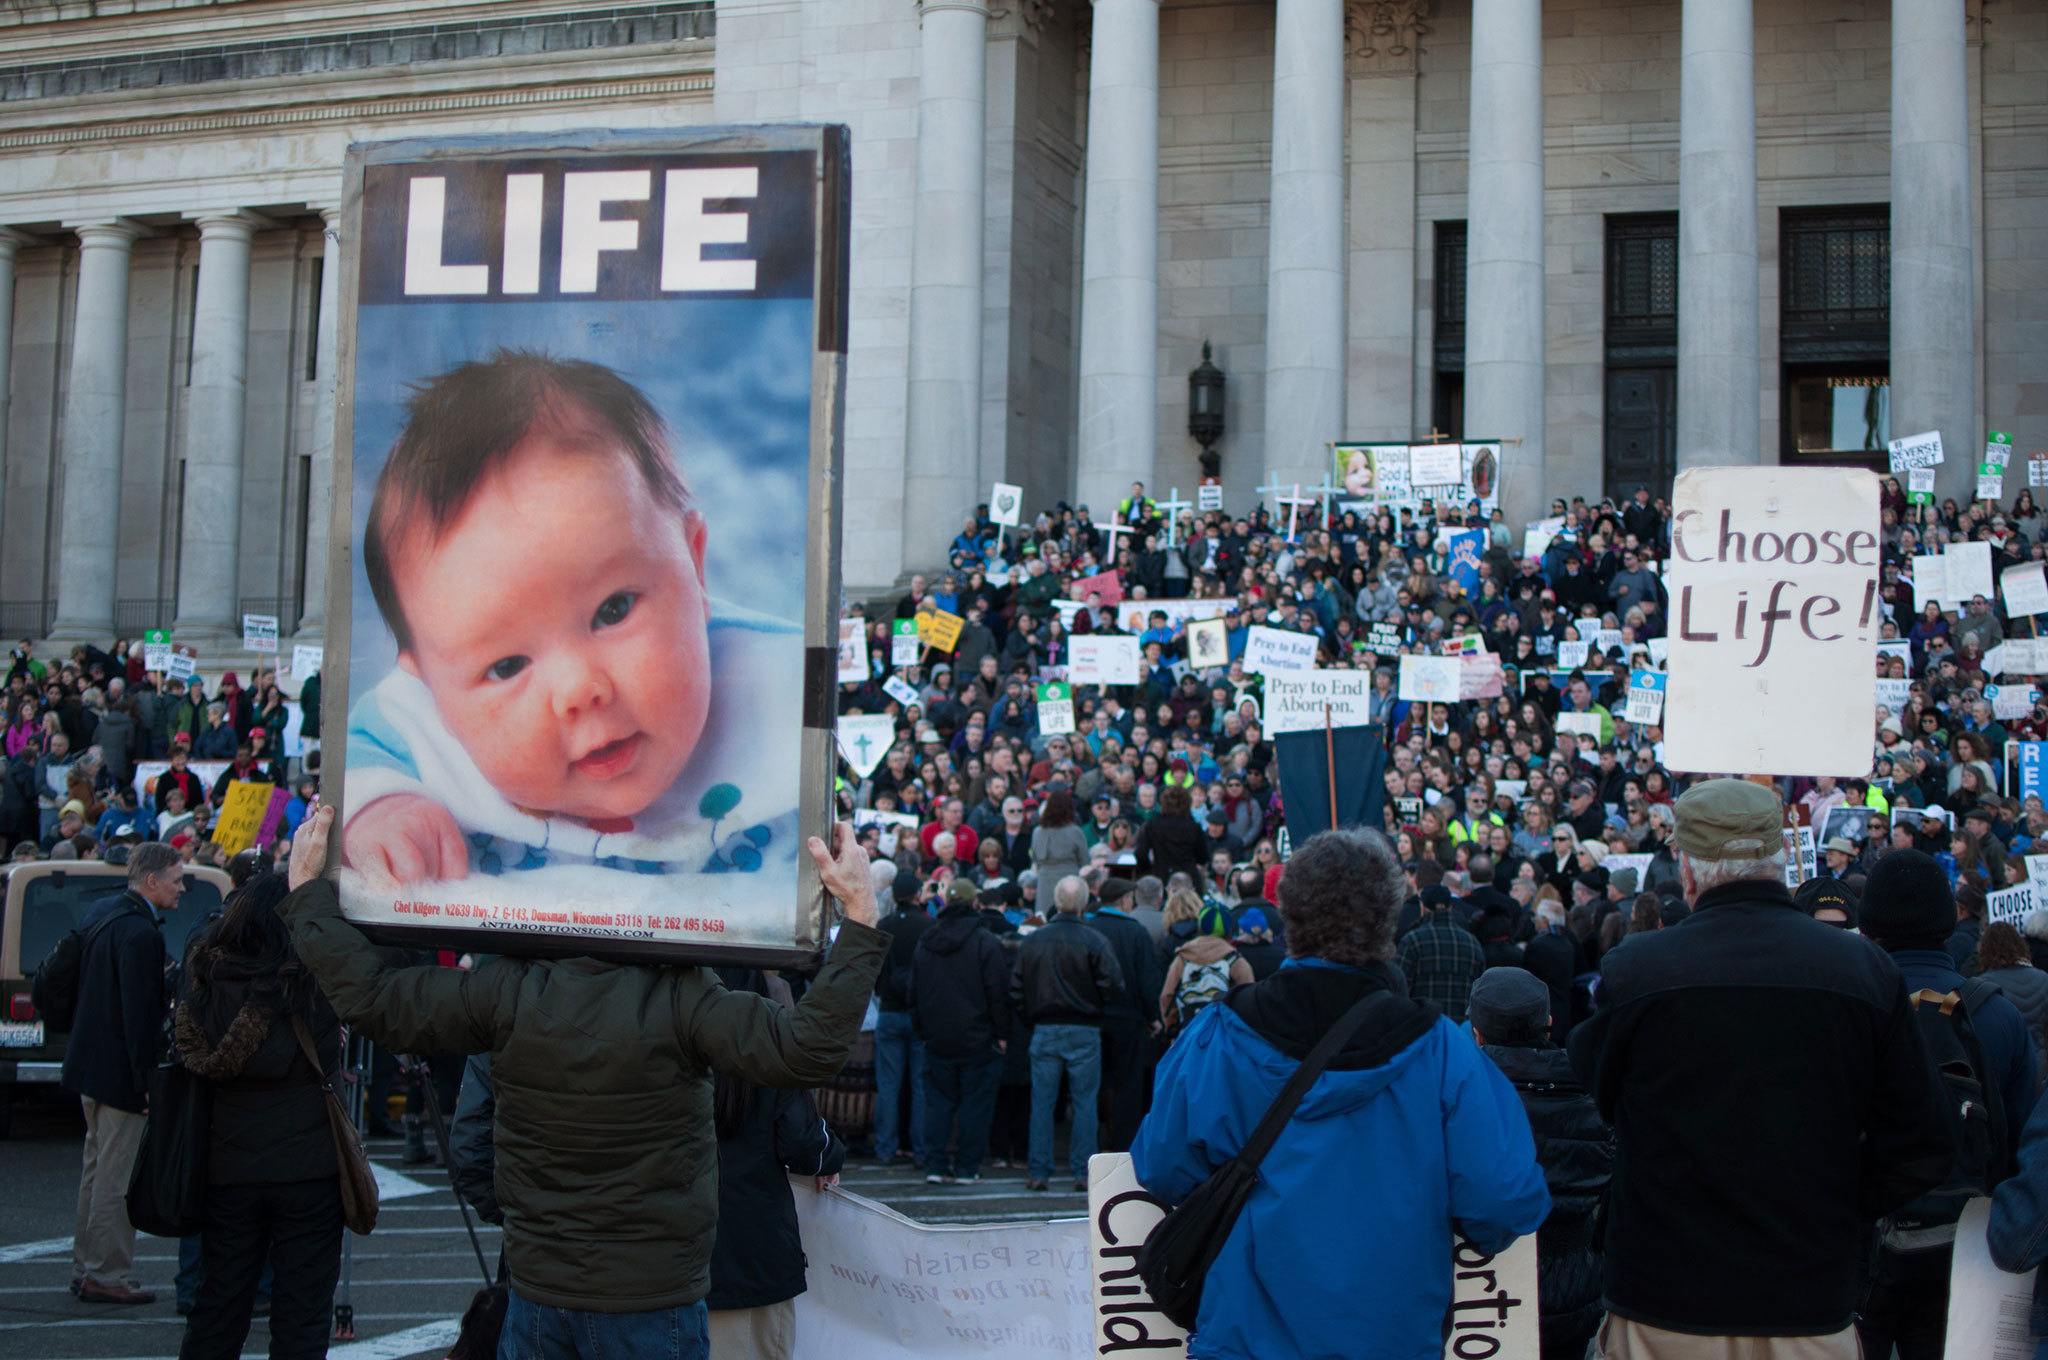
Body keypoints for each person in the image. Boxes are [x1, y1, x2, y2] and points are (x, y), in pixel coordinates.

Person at [276, 807, 885, 1357]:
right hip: (650, 1294)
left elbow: (376, 1000)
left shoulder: (509, 987)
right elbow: (806, 1049)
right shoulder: (681, 993)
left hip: (541, 1287)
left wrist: (308, 895)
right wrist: (859, 916)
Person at [342, 353, 801, 886]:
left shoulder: (778, 684)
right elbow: (357, 766)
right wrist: (380, 811)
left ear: (695, 568)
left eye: (613, 610)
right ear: (430, 687)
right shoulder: (410, 728)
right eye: (508, 665)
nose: (580, 689)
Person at [1569, 780, 1952, 1358]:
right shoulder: (1862, 971)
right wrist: (1838, 1203)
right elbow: (1922, 1142)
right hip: (1807, 1296)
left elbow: (1593, 1103)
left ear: (1689, 872)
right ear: (1781, 866)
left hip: (1668, 1301)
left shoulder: (1637, 972)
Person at [1133, 829, 1550, 1358]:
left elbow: (1161, 1165)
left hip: (1245, 1333)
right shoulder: (1443, 1050)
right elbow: (1503, 1200)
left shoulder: (1218, 1035)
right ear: (1389, 919)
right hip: (1389, 1334)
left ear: (1287, 913)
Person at [1857, 849, 2039, 1360]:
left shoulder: (1850, 1007)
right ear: (1949, 920)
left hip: (1862, 1246)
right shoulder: (1997, 1015)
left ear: (1869, 926)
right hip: (1967, 1249)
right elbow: (2028, 1143)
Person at [173, 871, 344, 1359]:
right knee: (302, 1315)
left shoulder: (206, 983)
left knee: (220, 1304)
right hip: (308, 1169)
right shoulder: (311, 982)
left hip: (229, 1166)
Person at [1469, 967, 1613, 1360]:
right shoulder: (1595, 1094)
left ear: (1477, 1033)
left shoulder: (1459, 1105)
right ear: (1548, 1023)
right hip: (1576, 1289)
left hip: (1481, 1293)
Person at [63, 841, 184, 1304]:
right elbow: (140, 1017)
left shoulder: (102, 913)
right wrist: (144, 1082)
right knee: (115, 1177)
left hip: (88, 1063)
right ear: (151, 882)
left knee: (95, 1172)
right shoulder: (141, 934)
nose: (180, 887)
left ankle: (85, 1264)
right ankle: (106, 1273)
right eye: (175, 880)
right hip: (117, 1072)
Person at [706, 969, 846, 1360]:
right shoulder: (772, 1055)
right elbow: (804, 1144)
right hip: (753, 1253)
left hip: (663, 1261)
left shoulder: (660, 1045)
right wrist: (828, 1159)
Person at [1011, 876, 1123, 1192]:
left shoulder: (1034, 940)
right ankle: (1083, 1172)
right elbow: (1113, 985)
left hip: (1045, 1027)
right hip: (1084, 1028)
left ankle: (1039, 1171)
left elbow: (1016, 988)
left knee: (1042, 1102)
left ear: (1057, 902)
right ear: (1084, 903)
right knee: (1085, 1103)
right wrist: (1096, 1007)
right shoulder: (1094, 940)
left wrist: (1031, 1016)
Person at [912, 877, 1013, 1186]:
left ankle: (936, 1164)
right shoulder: (985, 942)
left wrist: (922, 1028)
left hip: (937, 1035)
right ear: (975, 903)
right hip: (977, 1036)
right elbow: (997, 991)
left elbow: (914, 990)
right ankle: (967, 1166)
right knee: (975, 1105)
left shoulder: (927, 940)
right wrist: (1002, 1031)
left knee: (937, 1103)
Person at [870, 861, 928, 1167]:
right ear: (918, 894)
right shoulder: (928, 926)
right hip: (918, 1013)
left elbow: (875, 968)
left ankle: (885, 1148)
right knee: (920, 1085)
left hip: (890, 1010)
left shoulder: (885, 925)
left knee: (889, 1085)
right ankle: (920, 1150)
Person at [1398, 883, 1486, 1022]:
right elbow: (1480, 993)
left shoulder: (1412, 941)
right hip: (1460, 1030)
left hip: (1422, 1028)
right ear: (1450, 907)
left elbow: (1400, 990)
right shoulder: (1472, 943)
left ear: (1423, 907)